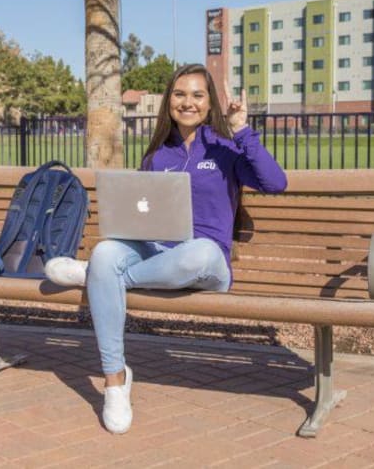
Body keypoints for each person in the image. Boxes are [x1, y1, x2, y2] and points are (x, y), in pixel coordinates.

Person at [45, 63, 287, 434]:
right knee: (108, 251)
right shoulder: (158, 156)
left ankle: (99, 277)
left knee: (197, 252)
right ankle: (114, 380)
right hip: (158, 254)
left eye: (197, 95)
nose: (187, 102)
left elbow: (275, 183)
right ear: (168, 102)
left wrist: (241, 130)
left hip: (206, 264)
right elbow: (143, 214)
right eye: (179, 94)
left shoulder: (226, 150)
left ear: (210, 104)